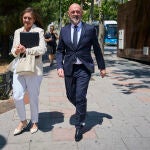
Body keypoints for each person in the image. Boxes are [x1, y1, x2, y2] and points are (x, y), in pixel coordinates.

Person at [56, 3, 106, 142]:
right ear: (68, 13)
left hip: (84, 68)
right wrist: (59, 65)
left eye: (78, 11)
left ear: (82, 13)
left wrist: (102, 67)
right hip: (69, 69)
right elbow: (60, 50)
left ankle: (79, 125)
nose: (76, 14)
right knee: (70, 95)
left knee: (79, 96)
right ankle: (82, 105)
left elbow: (96, 49)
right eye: (73, 12)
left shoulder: (90, 29)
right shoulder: (64, 30)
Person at [11, 7, 46, 135]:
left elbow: (42, 49)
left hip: (35, 69)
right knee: (17, 96)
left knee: (33, 96)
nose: (26, 20)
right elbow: (13, 51)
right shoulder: (17, 32)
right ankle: (23, 120)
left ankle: (35, 121)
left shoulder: (39, 31)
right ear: (22, 18)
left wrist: (27, 50)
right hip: (20, 67)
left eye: (29, 18)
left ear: (34, 19)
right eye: (25, 18)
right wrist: (17, 50)